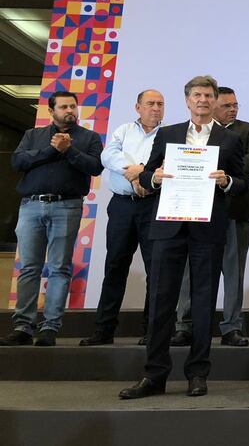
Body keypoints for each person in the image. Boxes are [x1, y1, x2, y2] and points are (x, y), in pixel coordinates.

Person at [119, 75, 245, 400]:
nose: (203, 100)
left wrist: (227, 180)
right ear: (187, 100)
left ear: (215, 101)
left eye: (208, 95)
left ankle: (198, 374)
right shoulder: (169, 133)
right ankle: (154, 375)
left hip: (208, 229)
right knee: (162, 301)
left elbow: (243, 183)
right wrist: (155, 177)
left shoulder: (228, 139)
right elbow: (146, 173)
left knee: (203, 303)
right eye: (197, 95)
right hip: (169, 226)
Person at [0, 91, 103, 347]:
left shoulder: (88, 137)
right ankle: (23, 326)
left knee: (59, 267)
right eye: (64, 106)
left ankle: (49, 327)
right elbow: (17, 161)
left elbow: (96, 167)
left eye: (73, 106)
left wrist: (69, 151)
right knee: (29, 268)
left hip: (66, 206)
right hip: (31, 205)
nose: (70, 110)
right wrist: (50, 150)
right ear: (51, 111)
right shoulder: (33, 135)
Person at [171, 86, 249, 347]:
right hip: (195, 208)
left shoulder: (246, 130)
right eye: (227, 105)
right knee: (190, 269)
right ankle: (184, 324)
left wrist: (213, 168)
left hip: (236, 207)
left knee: (234, 270)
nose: (233, 109)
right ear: (212, 106)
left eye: (236, 105)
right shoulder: (190, 132)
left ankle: (232, 326)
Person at [80, 89, 165, 347]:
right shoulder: (124, 130)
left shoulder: (170, 134)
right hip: (122, 206)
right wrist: (136, 172)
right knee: (115, 266)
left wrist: (144, 173)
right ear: (137, 107)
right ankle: (104, 330)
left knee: (157, 271)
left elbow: (169, 164)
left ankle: (151, 332)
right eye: (150, 103)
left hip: (154, 205)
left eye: (160, 104)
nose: (156, 108)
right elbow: (107, 155)